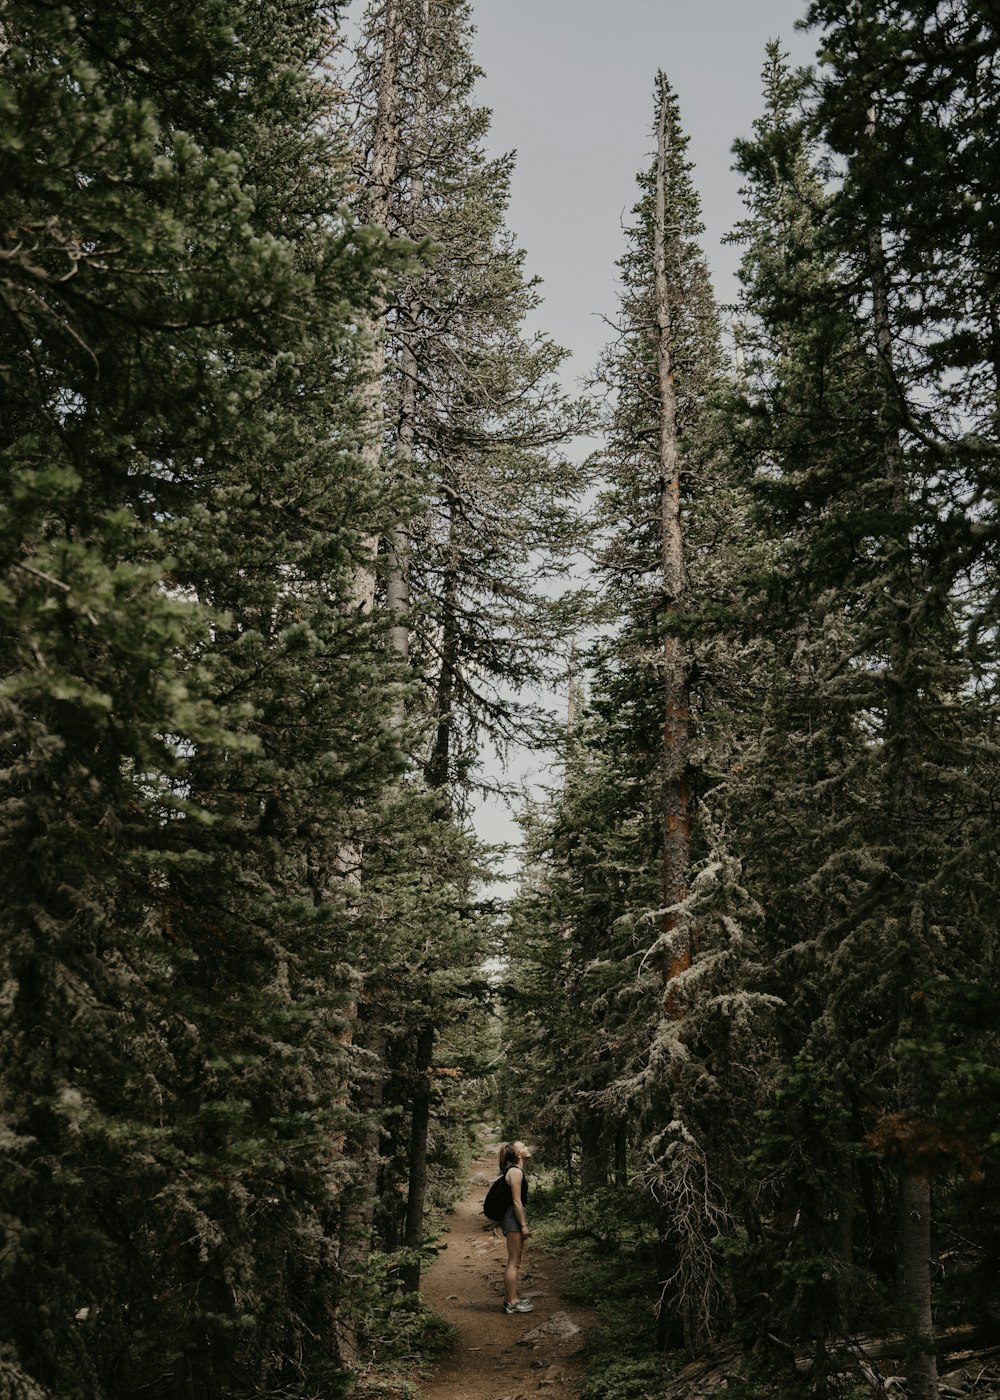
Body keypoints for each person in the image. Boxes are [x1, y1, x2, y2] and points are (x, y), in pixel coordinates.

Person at [499, 1140, 533, 1314]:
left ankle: (509, 1299)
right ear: (518, 1154)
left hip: (513, 1218)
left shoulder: (515, 1171)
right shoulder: (515, 1172)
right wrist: (523, 1225)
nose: (527, 1148)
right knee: (513, 1261)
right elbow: (516, 1201)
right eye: (523, 1146)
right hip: (513, 1219)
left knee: (515, 1261)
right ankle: (512, 1302)